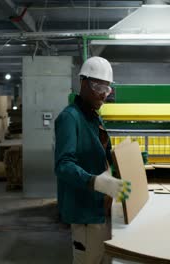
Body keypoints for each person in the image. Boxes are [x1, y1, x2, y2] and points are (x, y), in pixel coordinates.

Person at [54, 56, 132, 264]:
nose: (102, 95)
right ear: (82, 83)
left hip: (100, 206)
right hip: (84, 211)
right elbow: (63, 166)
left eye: (106, 90)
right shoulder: (70, 118)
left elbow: (101, 156)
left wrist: (128, 161)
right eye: (98, 87)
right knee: (88, 259)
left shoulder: (94, 116)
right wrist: (95, 181)